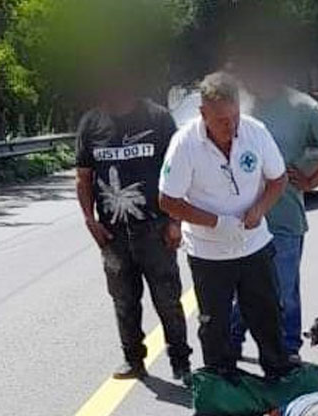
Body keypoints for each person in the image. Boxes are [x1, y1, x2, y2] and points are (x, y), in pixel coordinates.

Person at [158, 71, 294, 379]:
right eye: (221, 120)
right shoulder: (184, 144)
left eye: (234, 116)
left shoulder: (255, 132)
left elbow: (278, 179)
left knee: (267, 315)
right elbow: (168, 200)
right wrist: (214, 222)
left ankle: (278, 375)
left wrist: (259, 209)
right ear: (203, 113)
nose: (230, 126)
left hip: (254, 245)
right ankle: (221, 382)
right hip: (209, 253)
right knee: (214, 324)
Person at [230, 58, 318, 359]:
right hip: (240, 221)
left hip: (283, 218)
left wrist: (312, 181)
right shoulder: (238, 103)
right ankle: (231, 345)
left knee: (282, 292)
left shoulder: (302, 107)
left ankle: (286, 349)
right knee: (240, 291)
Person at [74, 80, 192, 383]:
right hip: (113, 234)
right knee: (124, 301)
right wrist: (90, 220)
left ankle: (181, 361)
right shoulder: (91, 124)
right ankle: (133, 360)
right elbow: (84, 178)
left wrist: (175, 221)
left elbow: (179, 169)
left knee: (167, 300)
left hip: (156, 228)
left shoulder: (157, 118)